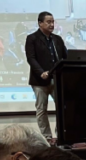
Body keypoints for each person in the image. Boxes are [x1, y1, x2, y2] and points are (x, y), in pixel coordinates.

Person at [25, 11, 68, 140]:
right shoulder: (32, 38)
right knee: (42, 109)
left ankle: (61, 134)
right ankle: (47, 137)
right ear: (40, 23)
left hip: (57, 79)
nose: (51, 24)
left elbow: (65, 57)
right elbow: (31, 58)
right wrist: (41, 72)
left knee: (62, 108)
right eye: (48, 22)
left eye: (53, 22)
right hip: (40, 81)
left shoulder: (57, 39)